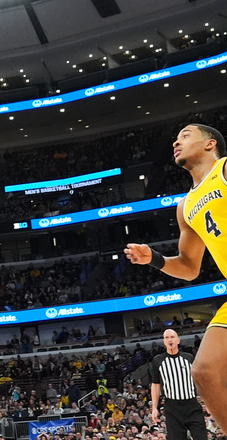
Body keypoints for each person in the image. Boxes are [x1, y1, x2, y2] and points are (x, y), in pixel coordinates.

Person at [126, 124, 227, 429]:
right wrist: (154, 259)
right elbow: (188, 267)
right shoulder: (185, 206)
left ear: (210, 144)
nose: (176, 141)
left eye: (185, 135)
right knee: (204, 371)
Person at [150, 329, 206, 440]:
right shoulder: (158, 360)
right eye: (167, 337)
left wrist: (206, 402)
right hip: (172, 407)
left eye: (172, 337)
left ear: (178, 340)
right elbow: (156, 384)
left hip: (191, 405)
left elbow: (198, 381)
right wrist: (154, 408)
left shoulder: (189, 357)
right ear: (164, 341)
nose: (170, 339)